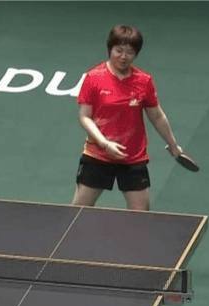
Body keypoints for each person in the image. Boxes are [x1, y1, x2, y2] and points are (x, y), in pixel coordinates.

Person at [72, 24, 184, 211]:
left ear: (136, 54)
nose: (123, 57)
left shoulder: (144, 81)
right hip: (98, 154)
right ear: (110, 49)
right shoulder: (94, 78)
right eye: (119, 50)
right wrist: (105, 144)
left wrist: (173, 145)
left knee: (140, 215)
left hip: (132, 157)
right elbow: (84, 117)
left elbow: (157, 116)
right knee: (78, 212)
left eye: (130, 52)